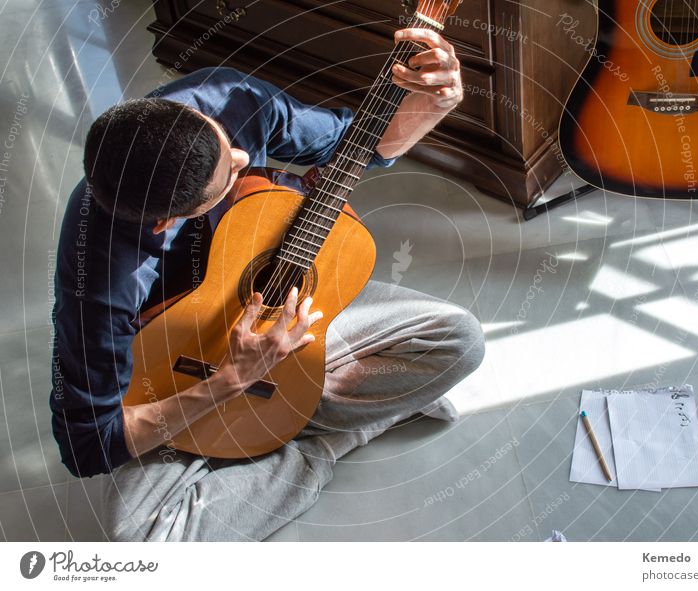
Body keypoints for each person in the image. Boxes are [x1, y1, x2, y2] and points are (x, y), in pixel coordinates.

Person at [49, 28, 485, 541]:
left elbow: (359, 142)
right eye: (228, 178)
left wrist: (435, 103)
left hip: (285, 312)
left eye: (227, 144)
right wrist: (231, 380)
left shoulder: (226, 101)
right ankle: (317, 446)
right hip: (179, 370)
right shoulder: (98, 276)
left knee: (460, 340)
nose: (242, 159)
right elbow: (87, 445)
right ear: (165, 223)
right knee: (145, 543)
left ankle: (283, 432)